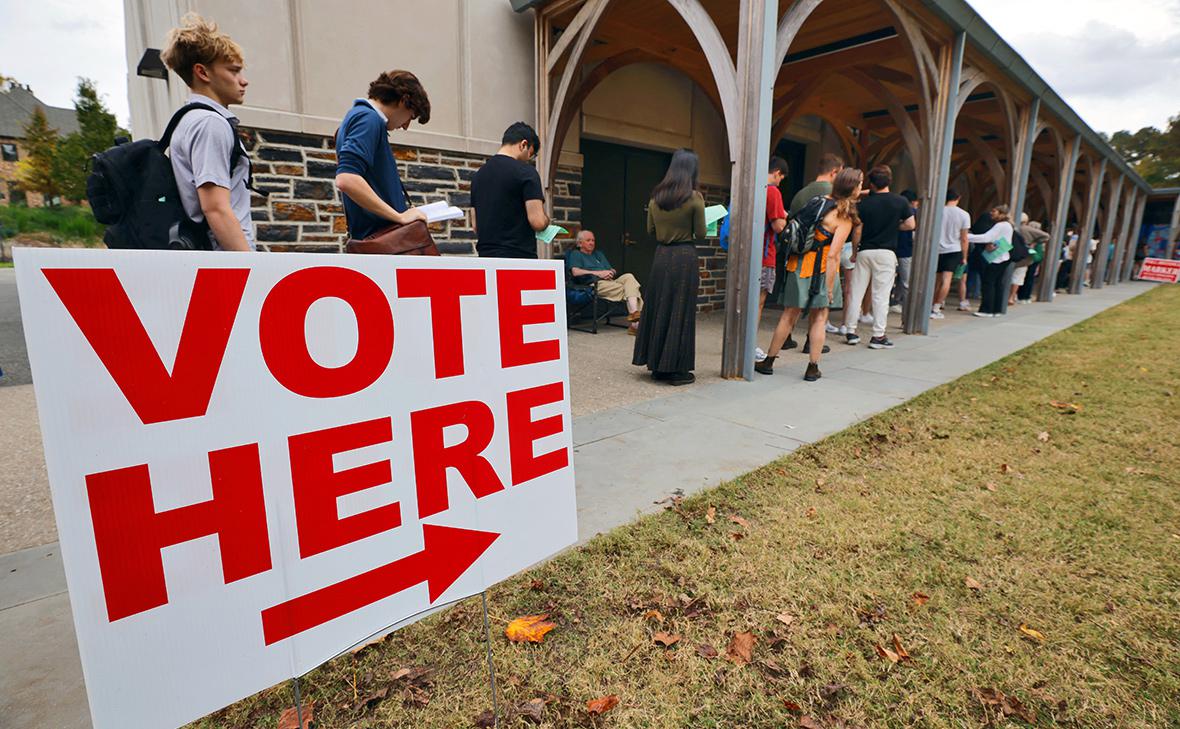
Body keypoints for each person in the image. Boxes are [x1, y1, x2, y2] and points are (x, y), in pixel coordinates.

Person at [756, 168, 862, 381]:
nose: (861, 187)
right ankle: (812, 368)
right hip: (820, 269)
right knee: (819, 318)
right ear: (851, 187)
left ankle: (769, 361)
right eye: (859, 183)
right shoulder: (844, 215)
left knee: (788, 315)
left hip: (798, 263)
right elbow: (833, 255)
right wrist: (830, 287)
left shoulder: (818, 201)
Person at [161, 13, 255, 251]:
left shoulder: (189, 119)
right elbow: (215, 208)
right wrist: (252, 269)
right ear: (202, 72)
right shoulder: (209, 124)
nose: (244, 81)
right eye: (234, 71)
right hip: (227, 261)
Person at [632, 149, 705, 386]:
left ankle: (657, 366)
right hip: (684, 256)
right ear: (691, 170)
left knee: (659, 307)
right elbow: (701, 233)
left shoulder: (656, 198)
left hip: (661, 257)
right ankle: (676, 369)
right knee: (680, 310)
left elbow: (650, 231)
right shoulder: (695, 198)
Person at [334, 71, 431, 240]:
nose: (406, 126)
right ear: (403, 100)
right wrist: (400, 217)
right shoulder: (368, 119)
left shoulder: (360, 117)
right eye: (411, 116)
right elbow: (347, 178)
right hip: (381, 241)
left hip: (377, 239)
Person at [842, 165, 915, 348]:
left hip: (865, 251)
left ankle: (850, 331)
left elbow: (857, 230)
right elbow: (911, 224)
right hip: (887, 253)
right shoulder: (901, 202)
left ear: (871, 183)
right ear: (890, 181)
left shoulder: (864, 204)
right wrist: (894, 228)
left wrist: (854, 252)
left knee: (856, 292)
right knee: (881, 296)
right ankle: (878, 336)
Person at [472, 122, 549, 258]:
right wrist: (546, 220)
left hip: (486, 257)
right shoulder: (526, 172)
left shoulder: (479, 175)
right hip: (518, 258)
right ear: (523, 144)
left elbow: (475, 225)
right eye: (530, 155)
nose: (528, 160)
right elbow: (537, 221)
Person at [566, 229, 643, 333]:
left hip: (610, 281)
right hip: (594, 284)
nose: (591, 243)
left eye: (593, 240)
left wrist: (610, 272)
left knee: (629, 277)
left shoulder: (598, 254)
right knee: (631, 290)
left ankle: (634, 314)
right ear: (580, 243)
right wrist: (599, 273)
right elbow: (575, 272)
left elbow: (611, 269)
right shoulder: (576, 254)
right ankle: (635, 322)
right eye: (588, 240)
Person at [968, 205, 1015, 317]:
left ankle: (986, 309)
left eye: (994, 211)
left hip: (996, 258)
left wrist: (966, 236)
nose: (991, 213)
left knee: (988, 283)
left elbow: (986, 238)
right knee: (998, 284)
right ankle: (996, 309)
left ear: (1001, 214)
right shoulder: (1007, 225)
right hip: (1003, 257)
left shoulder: (1000, 225)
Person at [932, 188, 970, 319]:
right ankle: (937, 307)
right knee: (946, 280)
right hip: (954, 249)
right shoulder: (964, 214)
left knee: (936, 281)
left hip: (936, 249)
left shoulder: (937, 211)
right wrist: (964, 257)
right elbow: (964, 238)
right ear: (958, 198)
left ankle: (930, 304)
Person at [890, 189, 918, 314]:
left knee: (888, 280)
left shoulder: (893, 210)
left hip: (891, 248)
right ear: (913, 202)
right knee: (906, 283)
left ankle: (891, 303)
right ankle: (906, 314)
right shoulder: (912, 212)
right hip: (905, 250)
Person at [1012, 213, 1049, 304]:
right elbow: (1046, 236)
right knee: (1020, 277)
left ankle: (1013, 296)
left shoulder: (1015, 228)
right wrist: (1034, 243)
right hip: (1025, 255)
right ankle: (1013, 296)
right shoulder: (1026, 229)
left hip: (1013, 254)